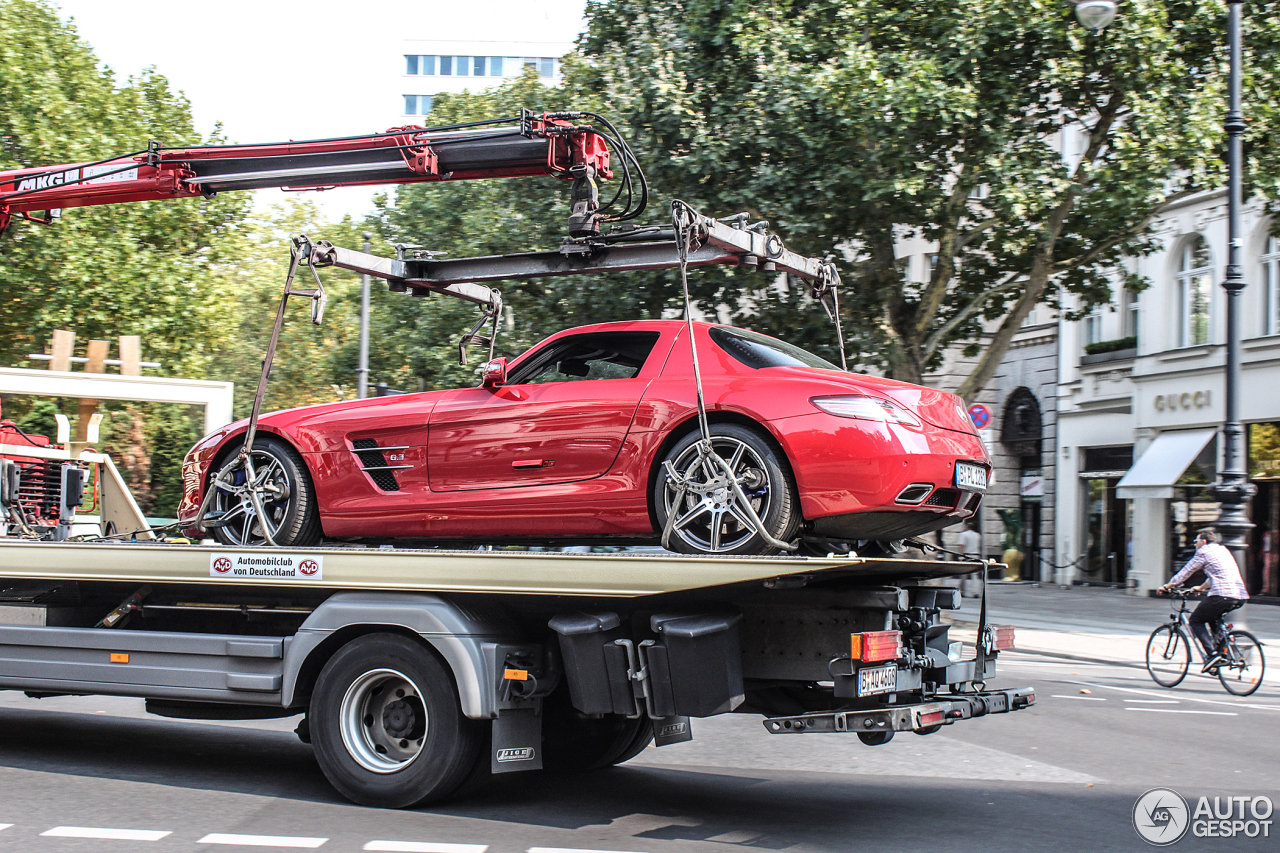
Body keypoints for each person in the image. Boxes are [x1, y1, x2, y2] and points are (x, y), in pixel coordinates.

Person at [1158, 528, 1250, 672]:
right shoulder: (1223, 550)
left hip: (1222, 595)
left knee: (1196, 620)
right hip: (1239, 596)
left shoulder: (1204, 551)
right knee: (1213, 618)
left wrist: (1168, 585)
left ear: (1204, 542)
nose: (1195, 545)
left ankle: (1212, 655)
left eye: (1196, 541)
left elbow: (1187, 570)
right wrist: (1201, 587)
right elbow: (1217, 574)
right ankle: (1222, 654)